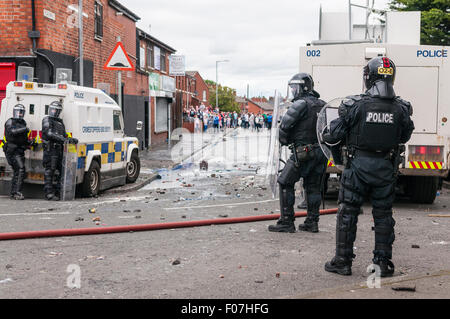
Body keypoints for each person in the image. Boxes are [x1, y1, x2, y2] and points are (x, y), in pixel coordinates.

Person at [322, 57, 414, 277]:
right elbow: (405, 135)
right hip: (385, 168)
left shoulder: (355, 105)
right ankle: (382, 264)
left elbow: (333, 135)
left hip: (357, 168)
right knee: (383, 216)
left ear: (368, 77)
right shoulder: (402, 108)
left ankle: (342, 261)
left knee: (347, 214)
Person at [268, 73, 327, 233]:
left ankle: (287, 221)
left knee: (285, 182)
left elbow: (285, 126)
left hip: (303, 152)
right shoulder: (323, 104)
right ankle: (312, 222)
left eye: (295, 87)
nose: (293, 90)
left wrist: (284, 141)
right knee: (313, 187)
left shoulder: (300, 104)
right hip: (321, 152)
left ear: (303, 87)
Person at [42, 101, 78, 201]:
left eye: (55, 110)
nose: (53, 112)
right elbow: (49, 134)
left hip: (59, 150)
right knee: (50, 171)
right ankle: (49, 193)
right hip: (51, 150)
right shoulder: (47, 120)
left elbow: (64, 135)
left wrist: (71, 139)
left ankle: (58, 192)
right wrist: (63, 139)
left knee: (63, 171)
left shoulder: (60, 122)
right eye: (52, 109)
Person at [3, 104, 34, 200]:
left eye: (21, 112)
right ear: (14, 112)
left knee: (17, 171)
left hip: (19, 150)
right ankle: (17, 192)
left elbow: (22, 139)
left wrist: (30, 143)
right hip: (12, 150)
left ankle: (14, 192)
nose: (20, 114)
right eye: (18, 111)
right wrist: (24, 129)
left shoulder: (23, 123)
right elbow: (12, 132)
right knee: (20, 169)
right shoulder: (10, 121)